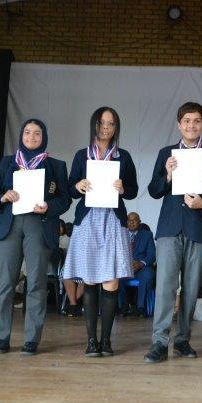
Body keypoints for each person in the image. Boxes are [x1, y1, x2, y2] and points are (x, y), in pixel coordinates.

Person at [144, 101, 202, 363]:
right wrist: (168, 175)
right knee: (165, 287)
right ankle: (159, 342)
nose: (192, 125)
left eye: (197, 121)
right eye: (187, 121)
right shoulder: (166, 153)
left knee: (191, 289)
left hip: (199, 227)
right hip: (170, 228)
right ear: (179, 125)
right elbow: (153, 190)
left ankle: (182, 340)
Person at [0, 118, 71, 356]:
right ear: (21, 136)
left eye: (37, 133)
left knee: (36, 282)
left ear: (44, 137)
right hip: (9, 225)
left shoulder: (55, 166)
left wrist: (49, 206)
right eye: (27, 132)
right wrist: (3, 197)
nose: (31, 137)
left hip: (39, 224)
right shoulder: (7, 162)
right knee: (5, 283)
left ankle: (32, 339)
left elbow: (65, 199)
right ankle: (1, 337)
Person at [63, 106, 138, 357]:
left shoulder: (123, 157)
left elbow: (134, 190)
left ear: (116, 128)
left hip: (113, 220)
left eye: (111, 124)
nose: (106, 128)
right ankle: (90, 341)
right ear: (94, 125)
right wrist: (78, 185)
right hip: (88, 220)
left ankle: (106, 340)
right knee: (90, 279)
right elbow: (70, 190)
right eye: (102, 123)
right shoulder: (82, 155)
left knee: (111, 280)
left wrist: (123, 188)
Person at [119, 212, 156, 317]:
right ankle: (124, 306)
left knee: (147, 275)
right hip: (125, 268)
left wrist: (141, 264)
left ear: (139, 222)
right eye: (129, 220)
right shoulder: (121, 235)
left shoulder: (147, 235)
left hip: (142, 268)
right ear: (126, 222)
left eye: (134, 220)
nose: (131, 222)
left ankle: (140, 307)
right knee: (115, 277)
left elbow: (152, 254)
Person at [59, 220, 84, 317]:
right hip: (76, 264)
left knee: (86, 277)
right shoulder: (74, 239)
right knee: (66, 274)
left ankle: (72, 304)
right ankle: (74, 304)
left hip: (90, 265)